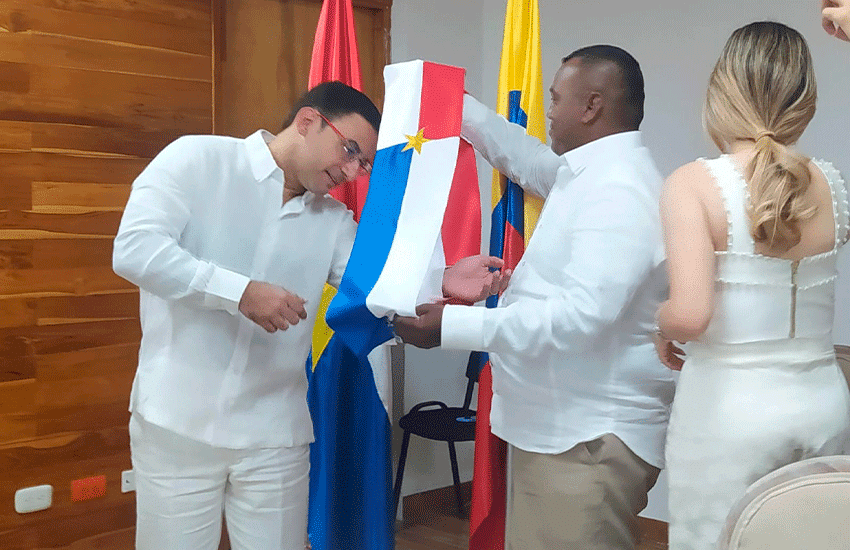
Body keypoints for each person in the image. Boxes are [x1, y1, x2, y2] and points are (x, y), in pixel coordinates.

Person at [112, 81, 507, 550]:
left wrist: (443, 279)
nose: (353, 171)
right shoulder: (198, 160)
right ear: (307, 121)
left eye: (363, 163)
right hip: (177, 424)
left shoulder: (333, 221)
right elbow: (135, 250)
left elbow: (377, 288)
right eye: (350, 150)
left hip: (275, 433)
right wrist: (239, 293)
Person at [394, 46, 674, 550]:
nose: (550, 111)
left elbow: (579, 318)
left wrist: (451, 327)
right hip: (560, 432)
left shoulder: (620, 192)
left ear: (591, 106)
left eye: (556, 98)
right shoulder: (586, 174)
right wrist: (453, 103)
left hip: (587, 443)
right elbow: (522, 155)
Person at [654, 22, 850, 550]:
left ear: (721, 88)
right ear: (805, 100)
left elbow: (689, 316)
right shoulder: (832, 183)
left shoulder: (692, 183)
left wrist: (660, 322)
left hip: (727, 412)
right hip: (824, 403)